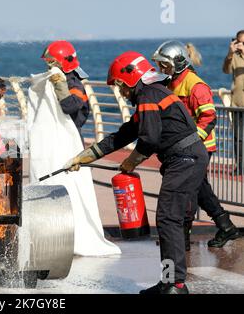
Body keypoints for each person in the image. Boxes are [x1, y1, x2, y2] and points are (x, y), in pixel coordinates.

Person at [64, 51, 209, 294]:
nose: (120, 92)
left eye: (119, 86)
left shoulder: (148, 95)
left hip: (184, 159)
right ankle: (169, 282)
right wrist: (84, 156)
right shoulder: (154, 93)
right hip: (186, 159)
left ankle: (175, 285)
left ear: (127, 80)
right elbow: (125, 134)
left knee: (168, 219)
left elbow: (149, 139)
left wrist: (132, 161)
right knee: (168, 219)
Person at [152, 41, 240, 250]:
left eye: (165, 65)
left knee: (189, 191)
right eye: (160, 65)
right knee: (199, 189)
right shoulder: (170, 83)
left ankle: (182, 240)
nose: (161, 70)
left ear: (178, 63)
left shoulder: (195, 85)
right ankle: (225, 226)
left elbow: (209, 118)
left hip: (198, 147)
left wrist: (190, 143)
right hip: (186, 149)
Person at [41, 40, 90, 141]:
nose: (49, 67)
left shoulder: (74, 84)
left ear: (64, 62)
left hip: (71, 137)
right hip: (57, 133)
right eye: (47, 62)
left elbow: (70, 107)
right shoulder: (54, 80)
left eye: (51, 62)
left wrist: (60, 85)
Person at [223, 30, 244, 173]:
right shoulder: (234, 56)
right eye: (239, 42)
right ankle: (241, 166)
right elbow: (226, 70)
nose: (240, 45)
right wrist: (230, 54)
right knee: (238, 138)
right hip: (237, 103)